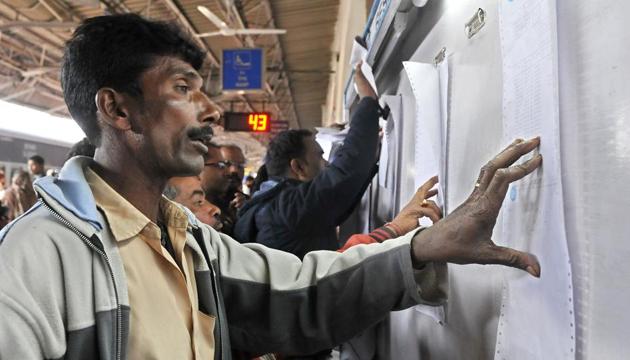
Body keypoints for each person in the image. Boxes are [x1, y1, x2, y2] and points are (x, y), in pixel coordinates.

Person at [0, 14, 542, 360]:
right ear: (117, 108)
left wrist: (423, 246)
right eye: (183, 87)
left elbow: (302, 290)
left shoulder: (188, 241)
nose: (210, 110)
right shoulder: (37, 257)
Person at [234, 67, 381, 258]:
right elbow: (345, 173)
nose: (326, 163)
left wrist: (372, 156)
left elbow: (337, 206)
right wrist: (368, 101)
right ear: (298, 167)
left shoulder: (269, 205)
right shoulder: (286, 209)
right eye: (319, 156)